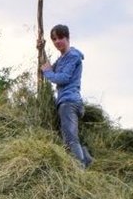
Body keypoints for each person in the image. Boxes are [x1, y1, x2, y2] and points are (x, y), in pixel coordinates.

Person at [39, 24, 93, 168]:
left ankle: (79, 168)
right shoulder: (63, 58)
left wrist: (48, 74)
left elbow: (62, 78)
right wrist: (41, 49)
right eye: (54, 39)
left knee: (70, 140)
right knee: (71, 137)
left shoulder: (72, 57)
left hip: (69, 102)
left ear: (68, 38)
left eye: (60, 38)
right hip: (67, 102)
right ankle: (87, 160)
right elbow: (49, 67)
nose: (57, 42)